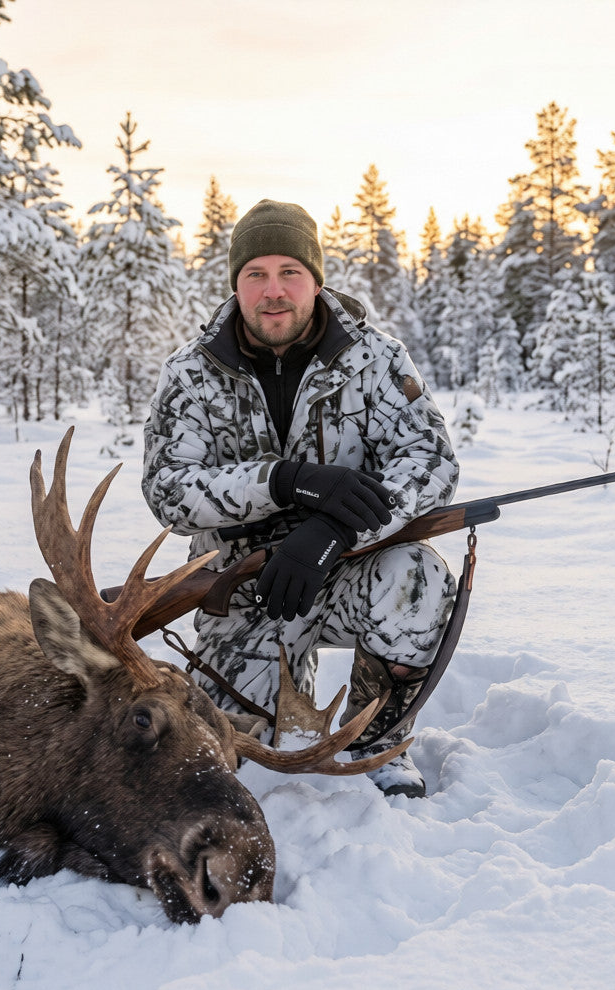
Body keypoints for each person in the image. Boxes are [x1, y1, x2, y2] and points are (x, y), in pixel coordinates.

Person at [142, 199, 459, 797]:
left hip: (349, 572)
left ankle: (377, 741)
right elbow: (168, 489)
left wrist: (336, 531)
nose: (273, 291)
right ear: (236, 284)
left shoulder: (375, 360)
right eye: (255, 274)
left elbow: (430, 459)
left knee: (417, 576)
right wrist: (282, 482)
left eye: (290, 271)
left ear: (315, 279)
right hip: (245, 590)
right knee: (227, 754)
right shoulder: (191, 372)